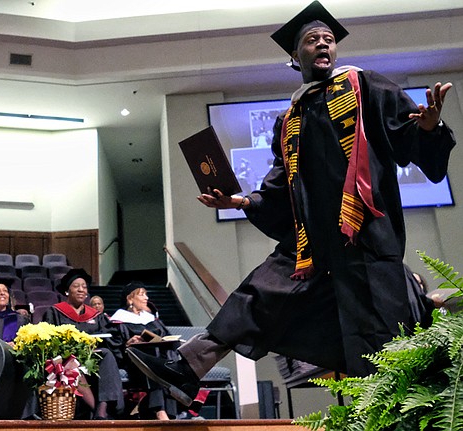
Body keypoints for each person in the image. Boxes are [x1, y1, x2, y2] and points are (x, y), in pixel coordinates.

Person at [126, 0, 456, 407]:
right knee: (260, 293)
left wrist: (429, 126)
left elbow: (407, 137)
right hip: (310, 245)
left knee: (377, 344)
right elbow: (282, 187)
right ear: (294, 55)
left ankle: (383, 415)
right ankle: (186, 366)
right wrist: (240, 199)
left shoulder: (366, 86)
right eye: (312, 39)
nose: (323, 45)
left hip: (364, 239)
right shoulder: (289, 119)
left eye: (329, 39)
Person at [43, 268, 124, 420]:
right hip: (66, 359)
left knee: (107, 354)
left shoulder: (95, 315)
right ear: (67, 291)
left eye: (84, 287)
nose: (81, 289)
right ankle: (98, 412)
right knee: (72, 363)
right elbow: (48, 339)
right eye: (76, 286)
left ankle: (103, 407)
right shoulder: (55, 312)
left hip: (94, 357)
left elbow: (112, 337)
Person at [110, 282, 179, 420]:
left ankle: (171, 414)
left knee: (169, 356)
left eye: (146, 294)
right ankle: (159, 410)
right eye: (142, 294)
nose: (146, 298)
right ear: (130, 299)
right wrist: (127, 344)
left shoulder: (151, 319)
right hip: (134, 360)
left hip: (158, 358)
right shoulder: (118, 320)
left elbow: (166, 336)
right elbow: (114, 347)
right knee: (151, 353)